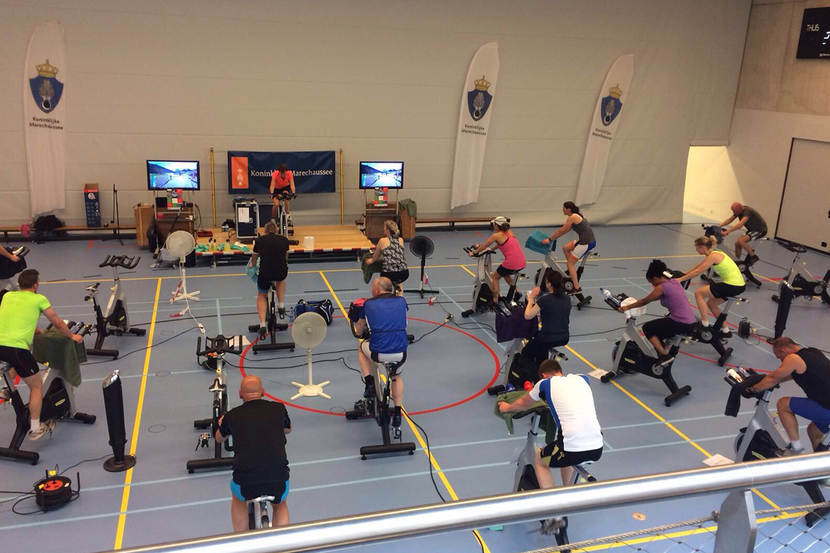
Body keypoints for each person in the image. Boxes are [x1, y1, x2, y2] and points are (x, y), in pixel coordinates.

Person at [0, 269, 83, 440]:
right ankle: (35, 428)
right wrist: (72, 336)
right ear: (35, 285)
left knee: (18, 358)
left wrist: (36, 330)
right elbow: (58, 323)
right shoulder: (39, 299)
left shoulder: (8, 296)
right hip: (16, 349)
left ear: (19, 284)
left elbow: (16, 316)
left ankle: (5, 390)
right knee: (36, 387)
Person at [498, 360, 603, 491]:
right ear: (560, 371)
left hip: (571, 449)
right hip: (597, 448)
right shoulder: (583, 378)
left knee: (540, 459)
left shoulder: (544, 384)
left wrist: (506, 407)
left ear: (543, 375)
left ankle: (551, 499)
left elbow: (523, 404)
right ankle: (568, 492)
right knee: (565, 455)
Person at [216, 375, 291, 531]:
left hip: (246, 481)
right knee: (280, 504)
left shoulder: (232, 415)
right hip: (277, 478)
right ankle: (282, 539)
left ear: (240, 394)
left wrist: (222, 423)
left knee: (238, 500)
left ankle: (241, 537)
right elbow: (288, 429)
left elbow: (219, 438)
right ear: (262, 392)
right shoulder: (278, 408)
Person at [749, 337, 830, 454]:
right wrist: (768, 381)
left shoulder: (793, 358)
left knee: (783, 404)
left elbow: (772, 378)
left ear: (783, 350)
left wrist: (752, 389)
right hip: (826, 403)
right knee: (813, 432)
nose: (781, 361)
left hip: (827, 408)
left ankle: (796, 449)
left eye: (780, 357)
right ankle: (821, 461)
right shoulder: (812, 351)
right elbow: (788, 375)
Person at [618, 259, 697, 368]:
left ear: (655, 278)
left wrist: (626, 307)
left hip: (681, 323)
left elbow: (644, 301)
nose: (652, 285)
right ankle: (661, 354)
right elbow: (656, 298)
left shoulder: (662, 287)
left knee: (647, 328)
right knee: (658, 331)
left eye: (652, 282)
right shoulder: (674, 282)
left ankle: (664, 356)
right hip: (690, 321)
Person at [355, 276, 408, 428]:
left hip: (379, 352)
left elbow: (359, 328)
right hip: (400, 352)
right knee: (396, 376)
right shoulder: (401, 301)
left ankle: (369, 383)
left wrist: (359, 332)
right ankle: (397, 412)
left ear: (377, 290)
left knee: (361, 348)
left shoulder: (368, 304)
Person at [677, 236, 745, 334]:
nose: (696, 250)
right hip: (739, 285)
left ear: (702, 247)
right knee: (711, 304)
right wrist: (684, 274)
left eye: (697, 247)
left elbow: (698, 271)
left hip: (732, 285)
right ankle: (726, 330)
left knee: (699, 293)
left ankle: (704, 324)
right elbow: (699, 266)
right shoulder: (714, 253)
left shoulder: (714, 256)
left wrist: (680, 279)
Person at [542, 201, 596, 296]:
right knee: (565, 248)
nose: (562, 210)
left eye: (564, 208)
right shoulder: (574, 216)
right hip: (584, 240)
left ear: (568, 209)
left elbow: (562, 231)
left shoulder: (573, 217)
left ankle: (576, 288)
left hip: (586, 243)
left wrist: (550, 239)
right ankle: (571, 272)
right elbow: (565, 230)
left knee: (570, 263)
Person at [468, 216, 526, 303]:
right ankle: (517, 291)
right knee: (505, 274)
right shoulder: (509, 232)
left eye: (494, 224)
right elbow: (502, 243)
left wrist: (474, 252)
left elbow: (484, 245)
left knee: (495, 277)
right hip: (522, 262)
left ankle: (495, 300)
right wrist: (492, 249)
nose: (493, 226)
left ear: (497, 225)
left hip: (511, 263)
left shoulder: (496, 235)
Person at [521, 268, 570, 368]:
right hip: (564, 337)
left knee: (526, 352)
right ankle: (543, 368)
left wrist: (531, 298)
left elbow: (527, 316)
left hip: (548, 337)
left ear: (549, 284)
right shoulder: (567, 298)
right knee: (541, 347)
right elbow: (556, 313)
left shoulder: (545, 300)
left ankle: (534, 372)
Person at [249, 220, 290, 334]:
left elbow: (254, 259)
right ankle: (281, 304)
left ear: (265, 231)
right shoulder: (284, 240)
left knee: (261, 295)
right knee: (281, 280)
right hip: (280, 272)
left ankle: (262, 324)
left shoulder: (260, 240)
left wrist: (252, 265)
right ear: (277, 230)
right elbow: (286, 258)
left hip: (265, 273)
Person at [368, 220, 409, 294]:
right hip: (404, 273)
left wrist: (370, 261)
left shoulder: (382, 241)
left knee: (383, 283)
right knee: (398, 281)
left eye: (384, 228)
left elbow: (375, 257)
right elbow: (398, 255)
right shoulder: (401, 240)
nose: (383, 229)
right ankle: (400, 296)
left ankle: (386, 296)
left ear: (387, 230)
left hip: (389, 274)